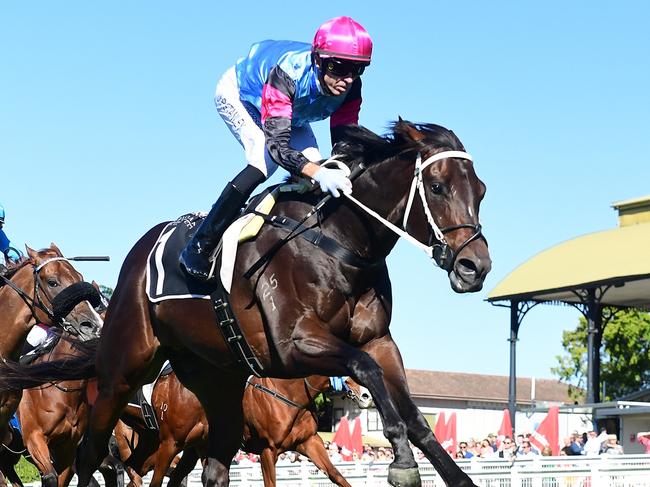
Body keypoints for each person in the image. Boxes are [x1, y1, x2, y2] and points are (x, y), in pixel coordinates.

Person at [179, 16, 373, 280]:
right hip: (243, 97)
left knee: (320, 164)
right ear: (318, 60)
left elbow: (345, 141)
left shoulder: (350, 88)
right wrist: (316, 171)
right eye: (338, 67)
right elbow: (277, 147)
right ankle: (200, 243)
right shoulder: (287, 74)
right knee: (263, 161)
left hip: (290, 113)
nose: (347, 79)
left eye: (357, 69)